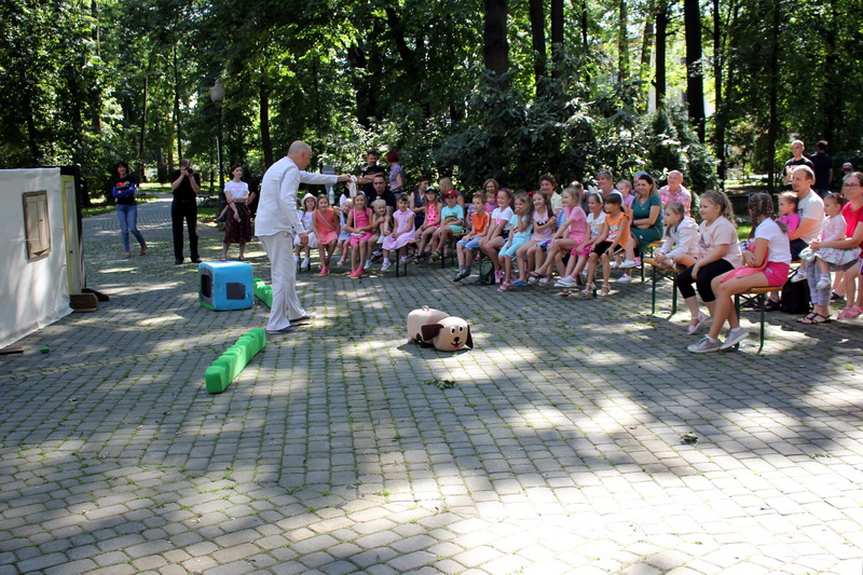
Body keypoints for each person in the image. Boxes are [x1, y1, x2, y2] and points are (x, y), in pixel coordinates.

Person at [255, 141, 351, 333]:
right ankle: (276, 322)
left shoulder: (282, 166)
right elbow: (286, 200)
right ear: (301, 155)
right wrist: (300, 230)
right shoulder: (290, 170)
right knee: (282, 274)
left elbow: (310, 177)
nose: (309, 161)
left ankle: (295, 312)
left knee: (288, 268)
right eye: (309, 157)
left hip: (268, 226)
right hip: (277, 227)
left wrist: (340, 178)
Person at [688, 192, 791, 353]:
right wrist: (747, 252)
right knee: (715, 282)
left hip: (773, 271)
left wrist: (746, 252)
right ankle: (735, 330)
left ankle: (712, 337)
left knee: (724, 288)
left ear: (752, 210)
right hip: (765, 267)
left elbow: (755, 260)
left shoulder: (765, 228)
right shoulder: (768, 225)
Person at [675, 190, 742, 335]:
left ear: (717, 208)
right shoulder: (704, 224)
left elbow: (721, 251)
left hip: (728, 262)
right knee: (682, 279)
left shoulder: (722, 225)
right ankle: (697, 315)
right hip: (710, 261)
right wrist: (698, 262)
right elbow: (704, 248)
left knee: (703, 279)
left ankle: (716, 319)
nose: (701, 210)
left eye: (705, 207)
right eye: (700, 206)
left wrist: (699, 265)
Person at [536, 186, 587, 284]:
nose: (563, 200)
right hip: (572, 238)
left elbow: (565, 225)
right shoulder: (567, 209)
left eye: (566, 197)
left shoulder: (577, 209)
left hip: (581, 239)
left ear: (575, 198)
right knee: (557, 255)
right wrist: (563, 239)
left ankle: (543, 268)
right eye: (563, 197)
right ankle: (565, 278)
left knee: (555, 242)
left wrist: (555, 237)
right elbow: (568, 229)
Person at [583, 191, 630, 297]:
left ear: (617, 205)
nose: (606, 206)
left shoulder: (623, 217)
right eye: (605, 203)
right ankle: (589, 284)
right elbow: (604, 234)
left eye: (608, 203)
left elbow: (619, 235)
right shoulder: (607, 217)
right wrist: (596, 243)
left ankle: (605, 285)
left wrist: (612, 247)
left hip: (620, 242)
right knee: (593, 256)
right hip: (608, 240)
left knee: (604, 256)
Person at [831, 173, 863, 319]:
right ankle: (849, 305)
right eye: (846, 185)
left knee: (859, 272)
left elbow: (856, 240)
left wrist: (828, 243)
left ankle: (858, 305)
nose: (848, 188)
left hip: (858, 251)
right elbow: (839, 231)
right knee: (849, 273)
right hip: (854, 252)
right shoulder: (847, 207)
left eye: (853, 185)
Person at [555, 191, 602, 288]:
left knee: (582, 252)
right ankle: (567, 278)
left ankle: (572, 276)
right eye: (589, 203)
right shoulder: (589, 216)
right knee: (574, 251)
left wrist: (584, 244)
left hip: (598, 242)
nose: (590, 205)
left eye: (593, 203)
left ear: (600, 204)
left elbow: (600, 235)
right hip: (587, 241)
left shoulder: (602, 217)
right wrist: (584, 243)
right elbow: (588, 234)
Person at [621, 171, 663, 280]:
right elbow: (629, 216)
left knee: (629, 237)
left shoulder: (654, 198)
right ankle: (628, 266)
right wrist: (632, 224)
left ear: (650, 185)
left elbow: (651, 220)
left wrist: (634, 223)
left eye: (643, 184)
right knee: (626, 236)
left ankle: (628, 270)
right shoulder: (636, 199)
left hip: (654, 230)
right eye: (638, 184)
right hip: (637, 229)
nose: (640, 187)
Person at [498, 192, 533, 291]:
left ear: (527, 205)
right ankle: (511, 275)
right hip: (513, 239)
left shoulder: (527, 217)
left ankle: (507, 279)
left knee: (507, 255)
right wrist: (509, 241)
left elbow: (521, 229)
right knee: (500, 256)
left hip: (523, 239)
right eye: (516, 204)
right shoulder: (514, 216)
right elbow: (511, 231)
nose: (518, 206)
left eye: (520, 204)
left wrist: (518, 216)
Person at [111, 161, 147, 258]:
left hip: (131, 206)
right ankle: (127, 251)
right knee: (124, 230)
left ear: (126, 168)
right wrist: (125, 192)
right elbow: (114, 194)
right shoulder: (115, 179)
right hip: (120, 207)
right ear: (117, 169)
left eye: (123, 167)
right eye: (119, 167)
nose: (121, 169)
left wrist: (121, 192)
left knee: (133, 228)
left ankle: (143, 245)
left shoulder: (131, 178)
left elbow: (132, 190)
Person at [518, 192, 554, 286]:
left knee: (531, 251)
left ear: (544, 200)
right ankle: (524, 276)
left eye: (539, 199)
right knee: (520, 252)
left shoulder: (549, 211)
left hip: (547, 238)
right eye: (534, 200)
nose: (536, 202)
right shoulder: (534, 213)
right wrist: (548, 224)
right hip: (535, 238)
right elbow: (537, 229)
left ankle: (535, 274)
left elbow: (553, 229)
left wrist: (550, 225)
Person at [653, 201, 700, 272]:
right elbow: (668, 243)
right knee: (657, 251)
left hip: (693, 256)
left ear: (678, 216)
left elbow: (683, 249)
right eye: (664, 214)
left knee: (676, 258)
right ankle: (671, 264)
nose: (665, 217)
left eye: (668, 215)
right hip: (680, 254)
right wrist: (661, 253)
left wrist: (665, 256)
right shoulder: (672, 225)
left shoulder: (686, 227)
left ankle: (671, 264)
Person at [480, 188, 514, 284]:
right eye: (498, 198)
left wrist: (490, 240)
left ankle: (497, 268)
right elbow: (492, 226)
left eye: (503, 198)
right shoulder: (496, 210)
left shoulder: (508, 211)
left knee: (487, 245)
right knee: (481, 243)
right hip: (497, 233)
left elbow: (500, 227)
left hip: (505, 234)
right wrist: (487, 238)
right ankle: (498, 265)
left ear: (509, 200)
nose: (500, 200)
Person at [170, 159, 201, 264]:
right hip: (177, 203)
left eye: (188, 166)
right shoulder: (175, 174)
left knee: (193, 231)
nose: (186, 168)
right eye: (184, 166)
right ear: (180, 166)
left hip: (190, 203)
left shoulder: (194, 175)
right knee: (177, 231)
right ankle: (178, 257)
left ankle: (195, 256)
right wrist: (182, 175)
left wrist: (190, 177)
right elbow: (173, 187)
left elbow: (196, 190)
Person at [453, 194, 490, 282]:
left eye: (478, 203)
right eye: (474, 203)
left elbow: (484, 232)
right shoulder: (473, 215)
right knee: (459, 244)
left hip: (482, 237)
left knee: (468, 246)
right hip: (475, 236)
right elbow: (473, 230)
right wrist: (468, 235)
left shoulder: (487, 215)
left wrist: (472, 237)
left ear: (484, 205)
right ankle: (461, 268)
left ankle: (468, 268)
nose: (475, 206)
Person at [221, 165, 255, 261]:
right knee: (229, 231)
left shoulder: (245, 185)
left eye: (240, 170)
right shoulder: (228, 184)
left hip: (243, 208)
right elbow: (229, 199)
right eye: (237, 170)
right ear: (233, 172)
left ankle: (241, 254)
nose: (239, 172)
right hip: (232, 209)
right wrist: (235, 211)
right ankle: (224, 254)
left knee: (243, 231)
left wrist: (236, 198)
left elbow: (245, 198)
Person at [382, 195, 416, 272]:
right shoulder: (396, 214)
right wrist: (394, 233)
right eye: (401, 203)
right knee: (387, 239)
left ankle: (403, 257)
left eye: (405, 203)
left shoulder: (410, 214)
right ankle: (386, 261)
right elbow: (396, 226)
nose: (403, 205)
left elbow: (409, 228)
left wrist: (399, 234)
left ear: (407, 204)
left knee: (402, 239)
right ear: (397, 203)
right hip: (398, 232)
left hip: (408, 233)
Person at [345, 193, 374, 279]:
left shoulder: (369, 211)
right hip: (356, 233)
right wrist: (355, 230)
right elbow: (347, 226)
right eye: (357, 200)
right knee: (354, 246)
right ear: (354, 201)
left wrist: (363, 229)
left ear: (365, 201)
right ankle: (353, 268)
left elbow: (371, 225)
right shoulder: (352, 212)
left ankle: (361, 266)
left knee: (362, 243)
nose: (359, 202)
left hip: (366, 232)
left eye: (361, 200)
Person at [429, 190, 465, 259]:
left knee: (444, 230)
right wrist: (440, 229)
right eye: (448, 198)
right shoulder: (444, 209)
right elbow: (442, 222)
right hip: (446, 230)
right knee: (435, 234)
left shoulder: (458, 208)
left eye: (452, 197)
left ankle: (438, 250)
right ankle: (433, 254)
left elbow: (460, 221)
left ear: (455, 199)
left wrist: (449, 224)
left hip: (459, 230)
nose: (450, 199)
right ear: (445, 199)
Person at [312, 194, 340, 276]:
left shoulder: (332, 212)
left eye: (325, 202)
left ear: (328, 203)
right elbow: (314, 226)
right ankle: (324, 267)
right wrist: (317, 236)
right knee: (319, 243)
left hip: (331, 231)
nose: (323, 204)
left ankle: (327, 259)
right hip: (321, 232)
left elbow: (337, 224)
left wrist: (337, 234)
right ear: (318, 204)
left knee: (333, 241)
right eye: (321, 203)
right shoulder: (315, 213)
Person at [415, 188, 441, 259]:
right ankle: (423, 250)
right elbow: (426, 219)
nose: (430, 195)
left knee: (424, 233)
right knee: (416, 234)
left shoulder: (439, 205)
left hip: (435, 225)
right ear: (426, 195)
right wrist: (423, 226)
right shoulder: (426, 205)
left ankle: (419, 254)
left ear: (435, 195)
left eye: (432, 193)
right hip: (428, 224)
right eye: (428, 194)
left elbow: (438, 220)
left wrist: (427, 226)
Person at [295, 194, 318, 271]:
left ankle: (306, 258)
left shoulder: (316, 212)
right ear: (305, 203)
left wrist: (307, 232)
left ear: (314, 203)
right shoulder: (303, 213)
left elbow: (315, 225)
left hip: (313, 232)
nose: (310, 203)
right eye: (308, 201)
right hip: (304, 231)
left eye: (312, 201)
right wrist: (302, 231)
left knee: (307, 239)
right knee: (298, 239)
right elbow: (300, 223)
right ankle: (297, 257)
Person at [335, 196, 353, 268]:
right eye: (345, 206)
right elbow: (334, 208)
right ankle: (345, 256)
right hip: (343, 233)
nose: (346, 208)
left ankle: (342, 259)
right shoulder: (341, 213)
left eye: (349, 207)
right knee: (339, 243)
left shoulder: (352, 215)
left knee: (345, 244)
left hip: (351, 233)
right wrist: (340, 208)